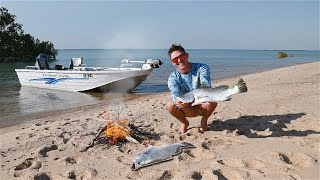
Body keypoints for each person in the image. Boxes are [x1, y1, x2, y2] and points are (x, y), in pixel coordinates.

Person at [167, 44, 217, 133]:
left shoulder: (202, 68)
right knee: (170, 105)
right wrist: (179, 102)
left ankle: (204, 120)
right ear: (172, 62)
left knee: (213, 99)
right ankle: (184, 123)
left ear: (186, 55)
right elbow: (175, 92)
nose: (179, 60)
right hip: (185, 107)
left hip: (202, 103)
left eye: (181, 56)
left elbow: (206, 84)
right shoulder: (173, 77)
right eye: (175, 59)